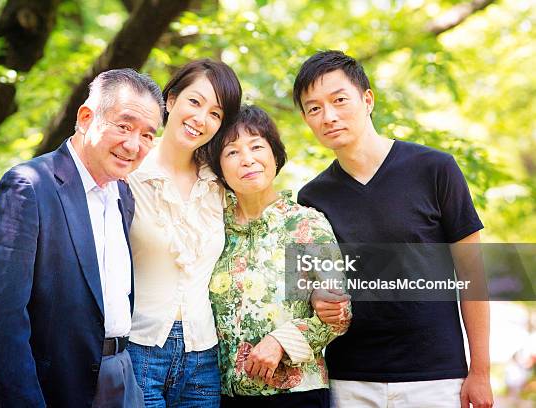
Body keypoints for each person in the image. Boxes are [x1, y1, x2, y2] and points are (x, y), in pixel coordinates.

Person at [293, 50, 494, 407]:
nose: (330, 116)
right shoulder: (312, 197)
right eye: (314, 108)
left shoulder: (435, 169)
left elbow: (472, 274)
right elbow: (317, 287)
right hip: (350, 379)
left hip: (436, 377)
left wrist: (480, 372)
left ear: (367, 99)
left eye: (340, 100)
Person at [0, 69, 163, 407]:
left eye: (148, 135)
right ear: (86, 117)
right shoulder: (28, 186)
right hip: (52, 385)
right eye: (124, 126)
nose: (134, 144)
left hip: (122, 378)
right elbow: (4, 322)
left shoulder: (124, 195)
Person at [207, 105, 351, 408]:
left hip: (297, 395)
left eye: (257, 146)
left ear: (275, 155)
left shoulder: (306, 225)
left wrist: (281, 342)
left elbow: (339, 316)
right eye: (232, 152)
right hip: (221, 396)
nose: (247, 159)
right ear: (219, 168)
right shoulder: (210, 228)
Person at [126, 59, 242, 407]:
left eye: (216, 113)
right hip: (139, 349)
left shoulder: (219, 184)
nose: (201, 119)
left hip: (202, 356)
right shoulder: (129, 173)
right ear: (171, 100)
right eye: (195, 102)